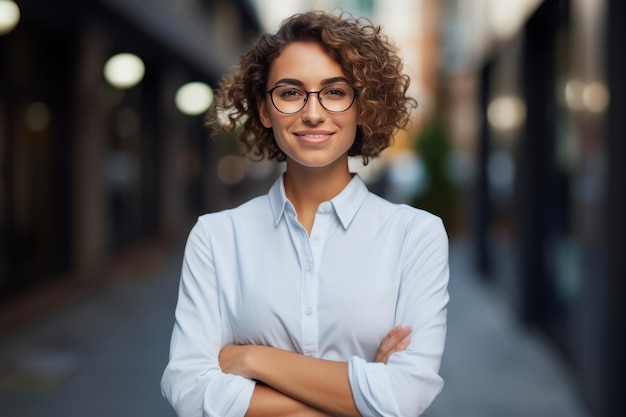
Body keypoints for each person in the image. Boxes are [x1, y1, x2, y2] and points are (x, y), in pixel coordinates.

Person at [161, 10, 449, 417]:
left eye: (334, 92)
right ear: (264, 109)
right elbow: (188, 390)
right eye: (291, 92)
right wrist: (361, 394)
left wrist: (253, 361)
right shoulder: (216, 237)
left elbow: (406, 396)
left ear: (361, 105)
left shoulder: (415, 235)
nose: (313, 113)